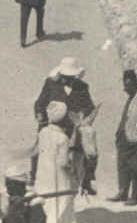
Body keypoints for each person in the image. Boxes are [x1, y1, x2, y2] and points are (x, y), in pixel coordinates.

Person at [33, 57, 97, 194]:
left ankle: (86, 180)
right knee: (39, 154)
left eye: (70, 77)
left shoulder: (82, 87)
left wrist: (82, 116)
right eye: (64, 76)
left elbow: (89, 107)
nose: (66, 79)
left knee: (88, 150)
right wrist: (40, 117)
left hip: (71, 129)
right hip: (51, 126)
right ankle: (34, 179)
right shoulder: (50, 84)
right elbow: (40, 103)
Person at [108, 69, 137, 205]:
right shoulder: (132, 96)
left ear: (135, 83)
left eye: (128, 85)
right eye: (124, 85)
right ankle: (123, 192)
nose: (125, 88)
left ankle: (136, 196)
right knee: (122, 166)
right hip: (125, 137)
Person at [32, 101, 77, 223]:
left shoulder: (43, 133)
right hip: (58, 179)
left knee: (46, 205)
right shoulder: (62, 138)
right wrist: (72, 169)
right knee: (60, 205)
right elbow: (63, 163)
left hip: (43, 177)